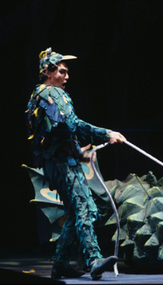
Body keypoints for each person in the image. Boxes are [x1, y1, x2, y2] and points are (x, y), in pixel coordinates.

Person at [26, 47, 126, 280]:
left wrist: (74, 147)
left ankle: (60, 264)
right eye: (62, 71)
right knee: (86, 208)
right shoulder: (52, 93)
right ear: (48, 72)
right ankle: (93, 258)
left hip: (58, 161)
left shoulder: (36, 94)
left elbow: (54, 131)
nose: (67, 76)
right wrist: (106, 133)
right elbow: (72, 124)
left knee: (74, 212)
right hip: (63, 164)